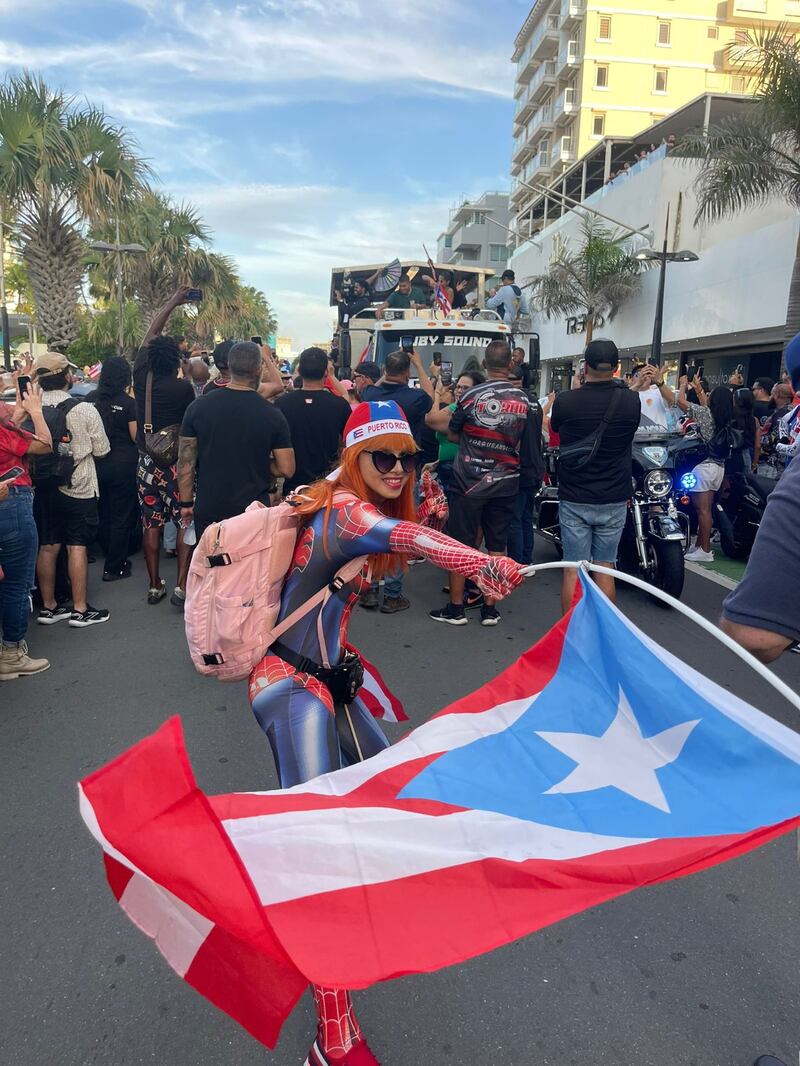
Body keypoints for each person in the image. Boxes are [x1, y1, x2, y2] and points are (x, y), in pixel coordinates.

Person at [248, 399, 523, 1066]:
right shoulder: (346, 509)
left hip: (325, 677)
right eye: (384, 456)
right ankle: (332, 1036)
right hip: (290, 688)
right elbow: (408, 539)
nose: (399, 468)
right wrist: (477, 560)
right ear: (354, 457)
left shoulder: (339, 496)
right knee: (319, 855)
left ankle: (369, 903)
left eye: (407, 456)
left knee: (394, 789)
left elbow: (404, 531)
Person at [430, 341, 543, 627]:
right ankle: (490, 609)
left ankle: (456, 609)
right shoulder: (527, 401)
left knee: (460, 546)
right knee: (497, 546)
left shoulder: (469, 396)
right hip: (506, 482)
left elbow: (453, 435)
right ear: (509, 366)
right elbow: (530, 443)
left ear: (484, 364)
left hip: (468, 482)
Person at [550, 339, 641, 615]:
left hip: (575, 495)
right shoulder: (631, 401)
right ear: (616, 368)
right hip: (614, 495)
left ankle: (570, 631)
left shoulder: (566, 401)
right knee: (605, 566)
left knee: (573, 569)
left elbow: (555, 427)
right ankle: (605, 630)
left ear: (585, 366)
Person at [178, 342, 295, 543]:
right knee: (249, 570)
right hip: (253, 511)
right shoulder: (272, 415)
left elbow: (186, 462)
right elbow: (287, 468)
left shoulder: (198, 408)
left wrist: (186, 502)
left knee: (211, 568)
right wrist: (259, 464)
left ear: (230, 367)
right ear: (258, 370)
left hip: (210, 507)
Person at [33, 352, 111, 628]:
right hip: (78, 485)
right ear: (67, 376)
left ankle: (49, 606)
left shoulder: (31, 408)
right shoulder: (83, 409)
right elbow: (102, 449)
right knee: (77, 545)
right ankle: (79, 609)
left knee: (48, 544)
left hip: (43, 485)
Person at [133, 292, 197, 607]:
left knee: (151, 523)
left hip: (146, 463)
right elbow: (189, 429)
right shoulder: (183, 387)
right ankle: (181, 584)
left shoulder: (141, 378)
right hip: (176, 465)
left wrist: (171, 301)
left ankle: (154, 583)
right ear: (175, 361)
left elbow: (151, 336)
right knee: (184, 521)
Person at [360, 349, 434, 612]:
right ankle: (392, 595)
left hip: (373, 470)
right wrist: (419, 365)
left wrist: (383, 376)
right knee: (397, 530)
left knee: (370, 528)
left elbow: (372, 388)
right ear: (407, 373)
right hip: (403, 472)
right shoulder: (415, 398)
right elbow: (431, 396)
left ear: (385, 371)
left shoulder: (370, 394)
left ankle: (368, 590)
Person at [0, 382, 53, 679]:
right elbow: (45, 443)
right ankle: (11, 652)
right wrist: (35, 411)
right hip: (11, 502)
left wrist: (18, 416)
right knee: (17, 583)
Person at [655, 372, 735, 563]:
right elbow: (705, 405)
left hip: (704, 467)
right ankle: (700, 545)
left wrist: (675, 384)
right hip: (718, 468)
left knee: (703, 510)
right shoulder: (726, 416)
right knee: (707, 509)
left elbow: (679, 401)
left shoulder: (706, 415)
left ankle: (705, 550)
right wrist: (699, 389)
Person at [88, 356, 139, 582]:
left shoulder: (90, 400)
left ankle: (107, 549)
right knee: (122, 514)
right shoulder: (129, 404)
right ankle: (115, 565)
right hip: (123, 465)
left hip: (95, 464)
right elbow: (135, 437)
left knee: (103, 510)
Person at [275, 347, 350, 495]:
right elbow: (347, 445)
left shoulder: (282, 404)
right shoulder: (339, 405)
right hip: (328, 487)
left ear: (300, 371)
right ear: (326, 372)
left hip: (293, 488)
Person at [731, 388, 761, 473]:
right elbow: (757, 445)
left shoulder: (729, 417)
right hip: (744, 455)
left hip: (728, 455)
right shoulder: (754, 421)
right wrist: (754, 464)